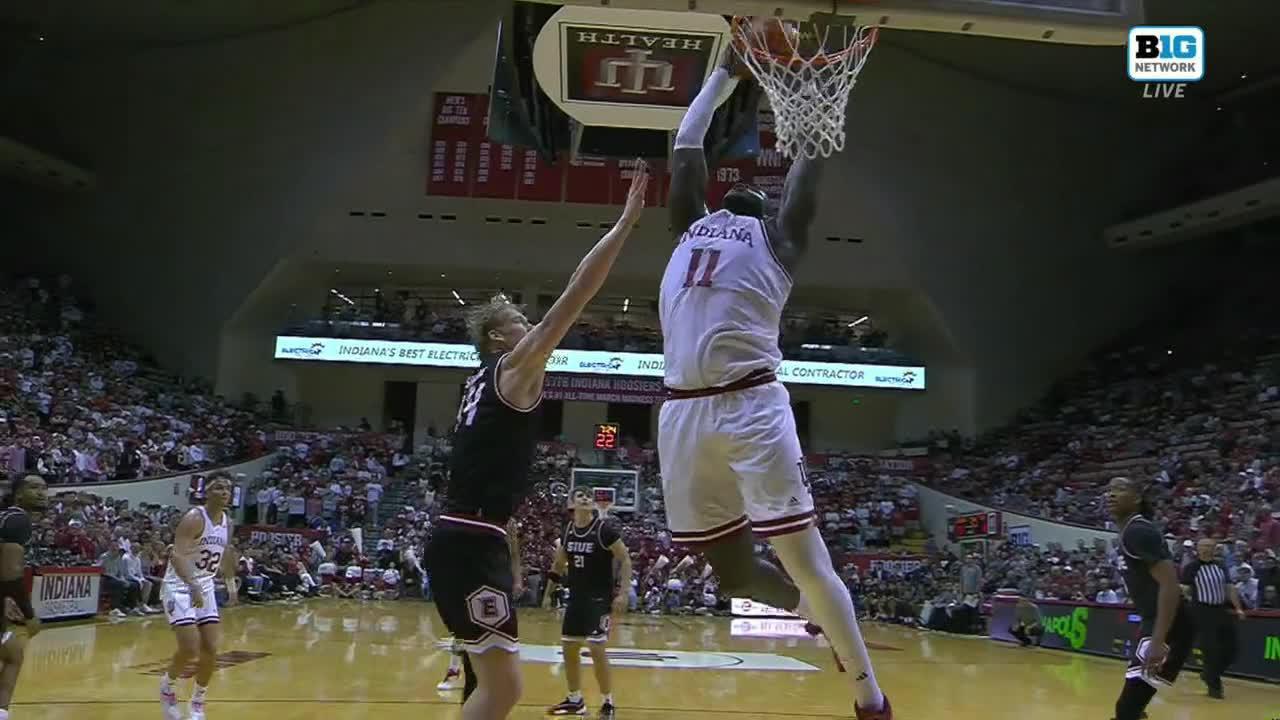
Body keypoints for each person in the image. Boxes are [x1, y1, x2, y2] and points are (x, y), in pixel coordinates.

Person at [658, 45, 891, 720]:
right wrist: (728, 71)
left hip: (751, 404)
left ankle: (870, 697)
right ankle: (811, 616)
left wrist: (823, 90)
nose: (741, 197)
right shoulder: (688, 228)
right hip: (682, 411)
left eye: (754, 197)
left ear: (763, 211)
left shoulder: (779, 240)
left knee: (806, 560)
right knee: (731, 571)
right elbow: (686, 142)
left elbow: (811, 162)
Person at [424, 164, 649, 720]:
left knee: (483, 679)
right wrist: (625, 223)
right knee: (504, 690)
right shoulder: (511, 369)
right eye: (521, 322)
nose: (532, 328)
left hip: (465, 535)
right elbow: (576, 293)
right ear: (499, 337)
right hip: (472, 540)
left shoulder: (477, 382)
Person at [1105, 477, 1195, 720]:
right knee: (1132, 707)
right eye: (1109, 490)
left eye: (1120, 489)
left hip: (1169, 626)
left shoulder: (1138, 530)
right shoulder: (1130, 531)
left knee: (1127, 709)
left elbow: (1170, 585)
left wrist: (1158, 639)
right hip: (1157, 622)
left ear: (1136, 498)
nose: (1111, 494)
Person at [543, 489, 632, 718]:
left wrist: (623, 592)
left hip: (599, 598)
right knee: (569, 648)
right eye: (580, 496)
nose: (585, 498)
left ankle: (608, 703)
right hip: (577, 598)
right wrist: (547, 593)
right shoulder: (569, 531)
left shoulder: (604, 530)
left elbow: (625, 558)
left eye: (587, 496)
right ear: (571, 504)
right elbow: (558, 564)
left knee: (595, 646)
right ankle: (575, 700)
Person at [160, 472, 239, 720]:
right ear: (207, 492)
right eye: (217, 487)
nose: (224, 491)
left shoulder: (228, 521)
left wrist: (230, 583)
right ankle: (167, 687)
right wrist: (192, 585)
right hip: (179, 585)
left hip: (204, 585)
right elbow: (176, 555)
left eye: (227, 488)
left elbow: (225, 553)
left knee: (211, 649)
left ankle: (197, 702)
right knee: (189, 647)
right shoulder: (194, 518)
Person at [0, 475, 48, 720]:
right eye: (33, 487)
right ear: (18, 494)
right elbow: (11, 574)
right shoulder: (18, 519)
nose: (41, 492)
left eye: (44, 488)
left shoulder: (8, 517)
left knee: (13, 654)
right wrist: (30, 615)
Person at [1180, 537, 1247, 699]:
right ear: (1197, 548)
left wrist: (1238, 608)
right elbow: (1184, 589)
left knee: (1232, 649)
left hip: (1220, 609)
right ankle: (1214, 685)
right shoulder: (1191, 567)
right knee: (1211, 649)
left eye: (1209, 546)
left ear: (1215, 548)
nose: (1206, 549)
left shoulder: (1221, 565)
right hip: (1201, 610)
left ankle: (1209, 674)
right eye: (1203, 546)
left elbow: (1229, 587)